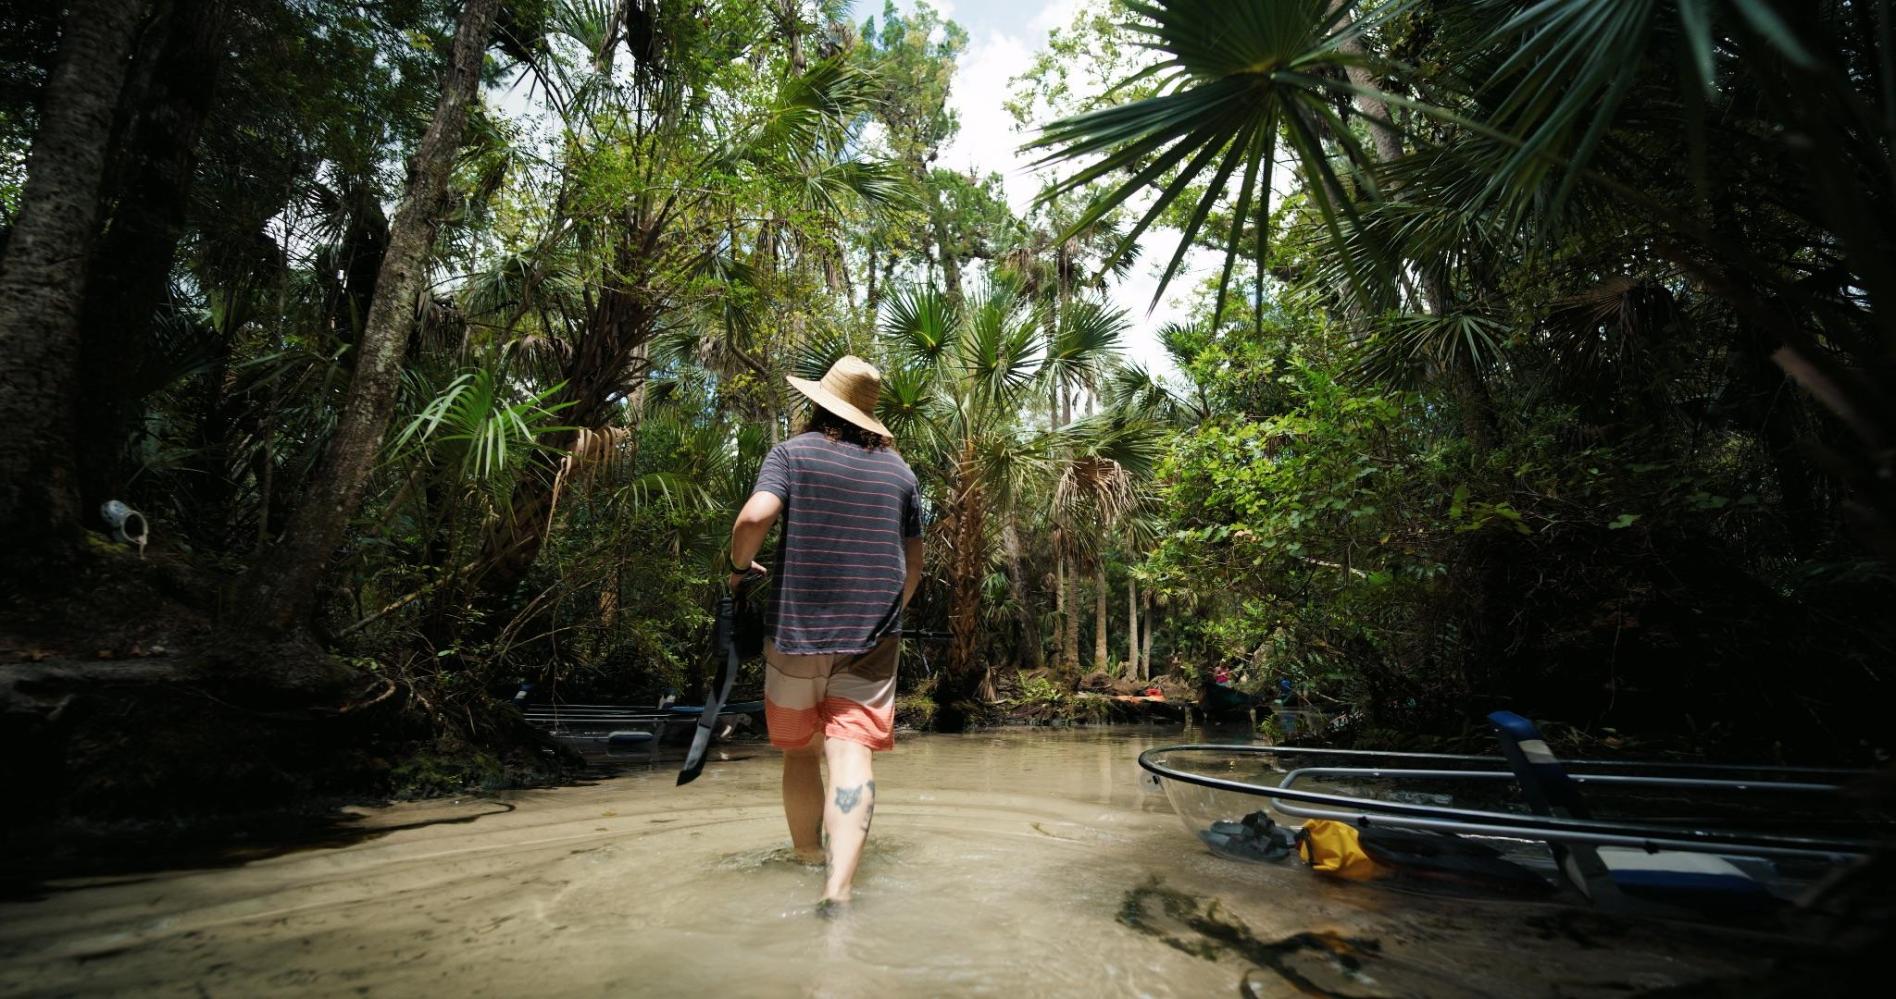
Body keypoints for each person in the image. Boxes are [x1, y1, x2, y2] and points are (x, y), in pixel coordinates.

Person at [724, 355, 924, 907]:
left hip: (796, 631)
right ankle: (838, 890)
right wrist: (887, 612)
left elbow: (753, 518)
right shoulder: (901, 473)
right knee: (851, 750)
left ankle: (807, 857)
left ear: (819, 404)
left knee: (799, 751)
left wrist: (739, 568)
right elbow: (915, 564)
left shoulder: (792, 453)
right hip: (873, 638)